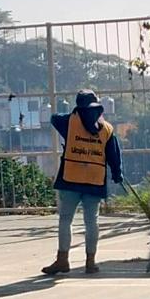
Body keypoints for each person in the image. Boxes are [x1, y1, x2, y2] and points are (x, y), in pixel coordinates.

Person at [42, 89, 123, 275]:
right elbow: (114, 155)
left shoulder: (69, 122)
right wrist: (117, 173)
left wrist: (75, 113)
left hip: (71, 178)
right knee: (91, 221)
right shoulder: (107, 129)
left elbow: (54, 117)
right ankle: (90, 262)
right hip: (95, 180)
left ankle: (62, 260)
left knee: (65, 219)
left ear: (78, 106)